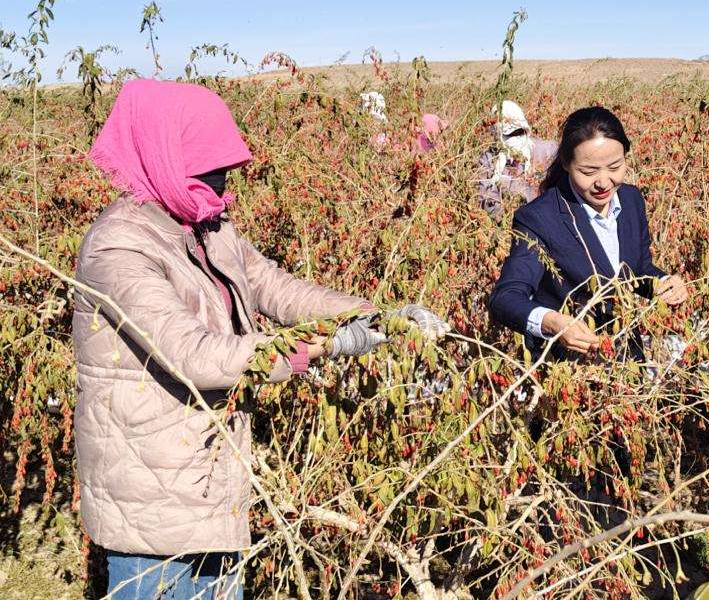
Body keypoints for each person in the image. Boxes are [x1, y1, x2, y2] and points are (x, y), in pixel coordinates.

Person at [73, 79, 449, 599]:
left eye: (224, 168)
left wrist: (378, 316)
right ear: (163, 154)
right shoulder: (118, 247)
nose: (222, 182)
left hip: (210, 476)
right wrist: (329, 346)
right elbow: (197, 356)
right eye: (206, 169)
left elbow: (275, 287)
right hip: (151, 490)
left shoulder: (208, 225)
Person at [488, 106, 687, 360]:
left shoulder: (631, 199)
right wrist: (552, 323)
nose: (604, 182)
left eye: (615, 166)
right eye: (588, 172)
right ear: (566, 164)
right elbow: (505, 298)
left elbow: (637, 269)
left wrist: (664, 283)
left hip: (627, 357)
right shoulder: (540, 218)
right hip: (569, 368)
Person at [477, 100, 558, 218]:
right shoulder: (489, 160)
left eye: (520, 132)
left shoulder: (547, 151)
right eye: (510, 134)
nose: (516, 138)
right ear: (497, 135)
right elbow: (487, 199)